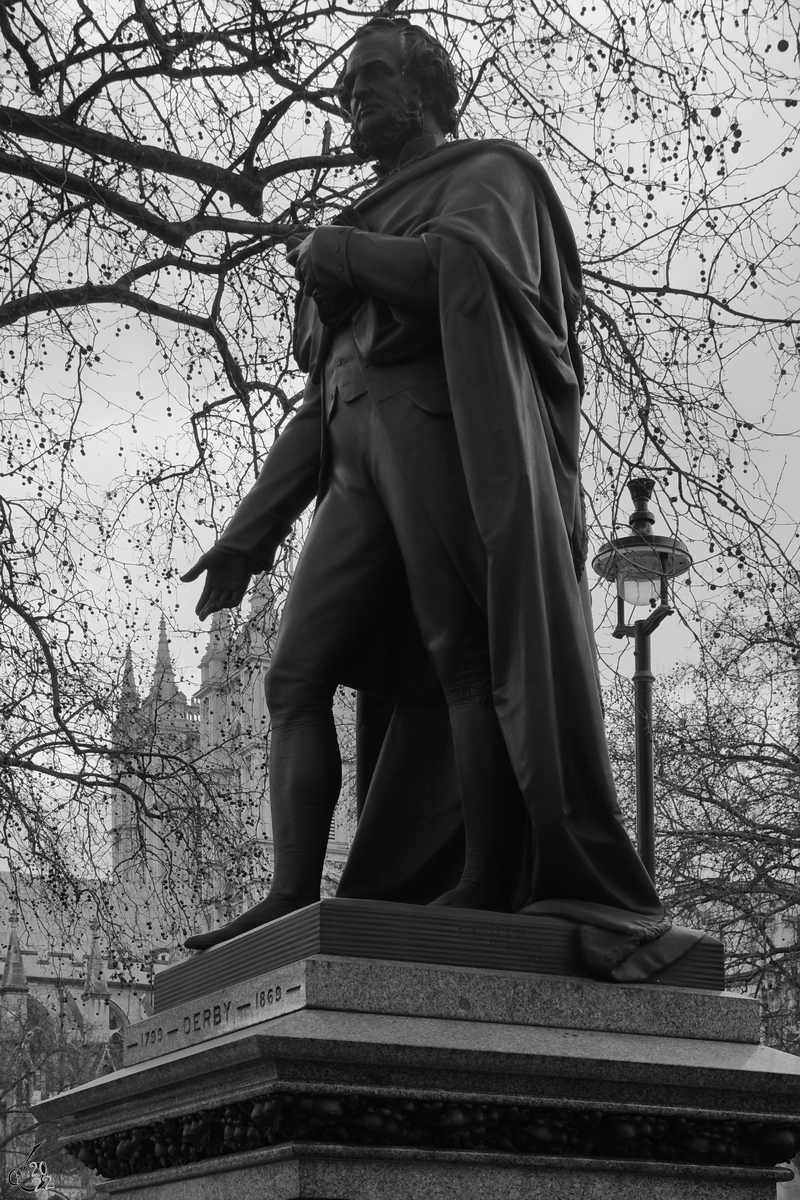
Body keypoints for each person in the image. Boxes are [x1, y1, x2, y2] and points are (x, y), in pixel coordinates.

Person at [182, 16, 668, 968]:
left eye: (370, 80)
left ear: (425, 92)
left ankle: (486, 876)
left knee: (467, 666)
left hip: (447, 445)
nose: (352, 99)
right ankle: (290, 892)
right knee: (292, 675)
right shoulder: (362, 220)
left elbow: (471, 276)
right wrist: (250, 534)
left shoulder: (493, 177)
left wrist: (348, 259)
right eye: (347, 88)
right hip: (356, 468)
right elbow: (321, 403)